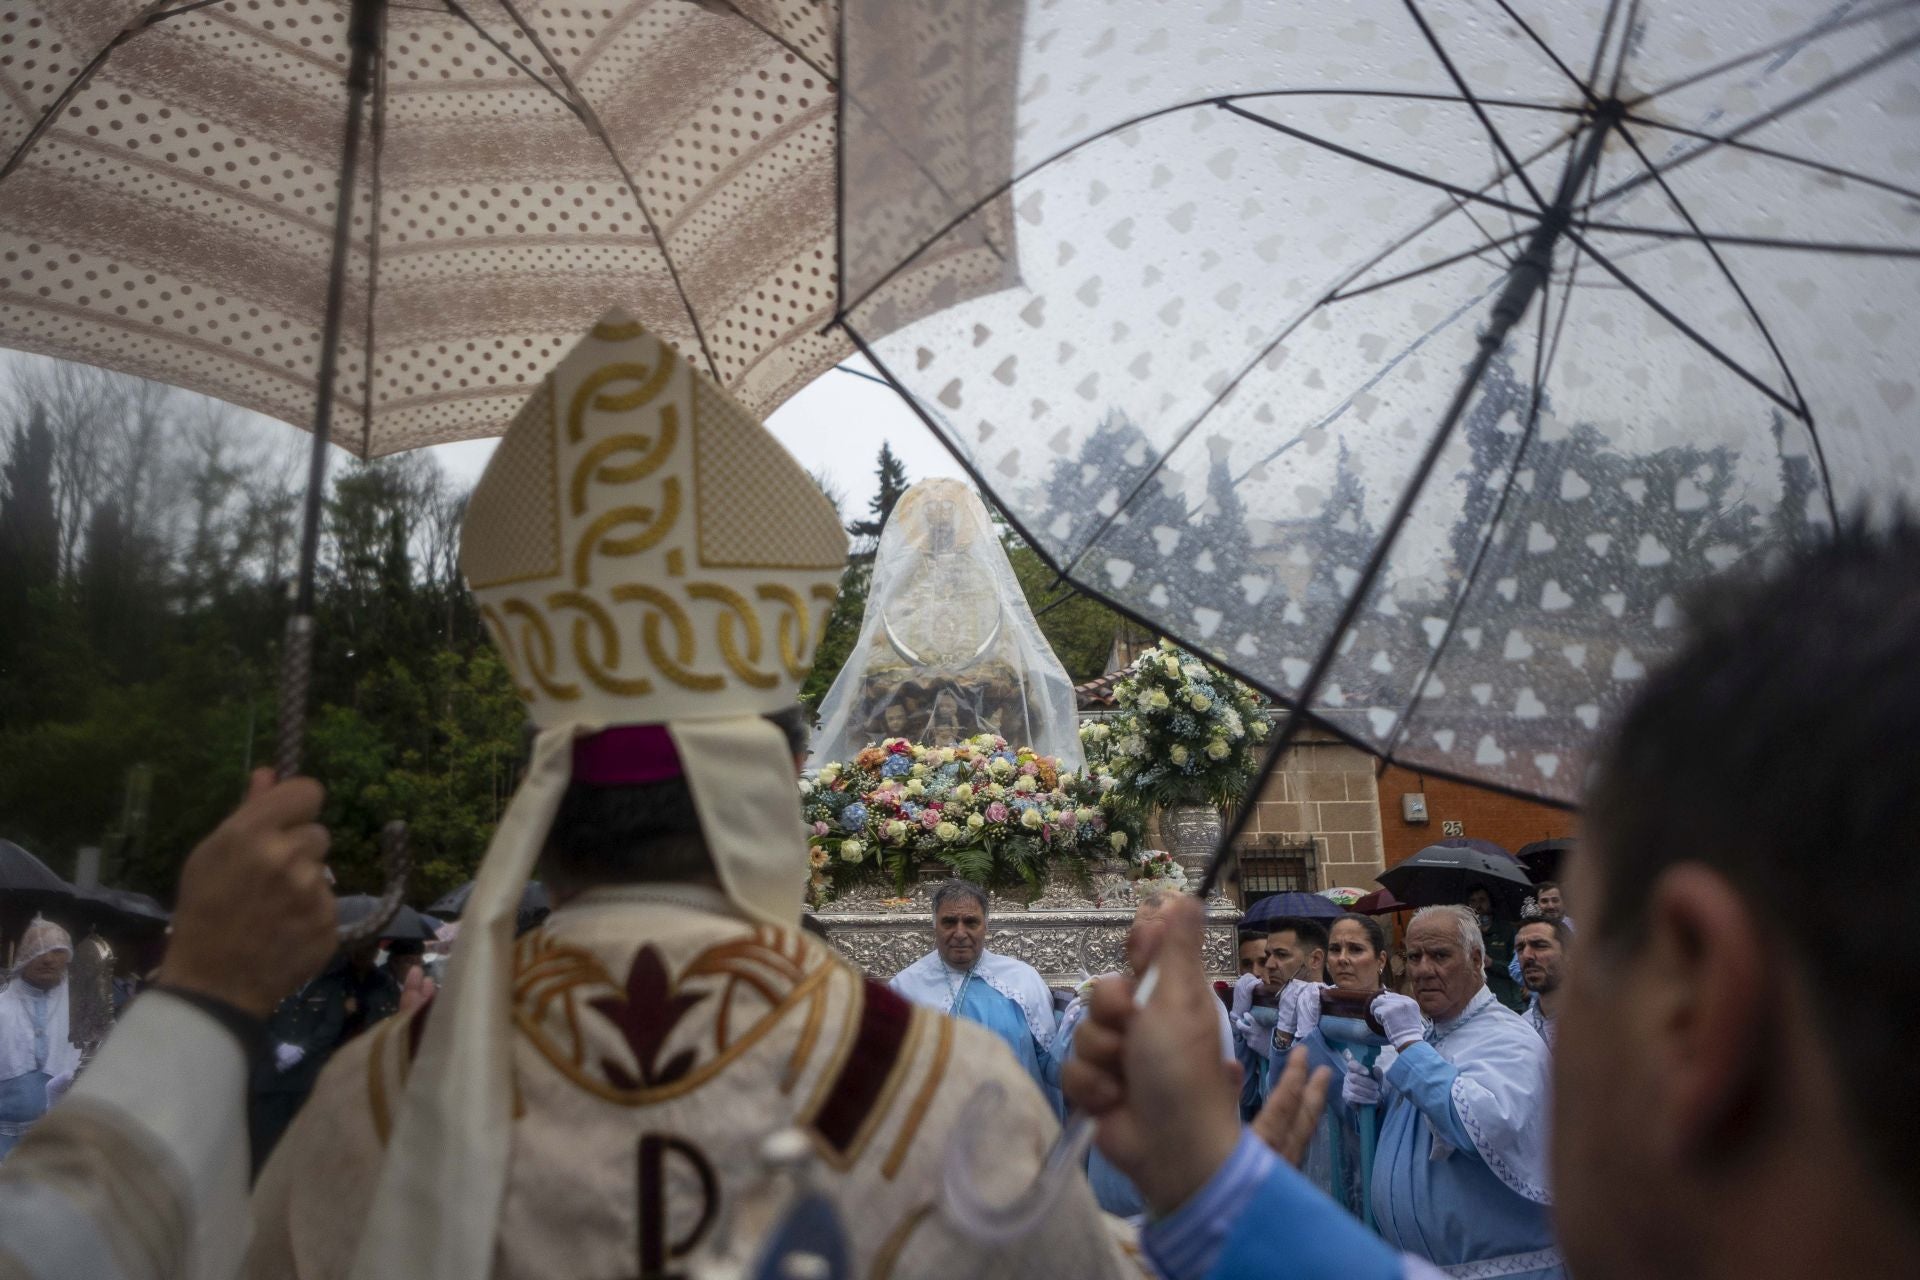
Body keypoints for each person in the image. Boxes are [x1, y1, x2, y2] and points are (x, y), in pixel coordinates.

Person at [246, 313, 1143, 1280]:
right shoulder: (948, 1097)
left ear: (541, 798)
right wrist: (1204, 1167)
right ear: (783, 781)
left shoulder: (376, 1098)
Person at [1067, 525, 1920, 1280]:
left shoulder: (1500, 1040)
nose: (1556, 1011)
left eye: (1593, 954)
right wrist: (1210, 1185)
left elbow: (1485, 1126)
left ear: (1694, 1003)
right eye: (1417, 955)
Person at [0, 767, 338, 1280]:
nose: (49, 961)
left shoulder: (83, 986)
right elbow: (51, 1244)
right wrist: (212, 991)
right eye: (36, 951)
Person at [1051, 890, 1235, 1217]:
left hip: (1176, 1200)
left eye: (1159, 933)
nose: (1146, 944)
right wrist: (1078, 1017)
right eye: (1139, 932)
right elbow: (1068, 1078)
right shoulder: (1118, 997)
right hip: (1109, 1189)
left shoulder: (1202, 1009)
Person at [890, 878, 1060, 1104]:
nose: (960, 933)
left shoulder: (1022, 979)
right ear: (934, 925)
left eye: (971, 922)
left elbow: (1051, 1063)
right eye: (949, 922)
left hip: (1014, 1113)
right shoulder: (906, 987)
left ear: (986, 926)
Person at [0, 918, 79, 1160]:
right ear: (24, 955)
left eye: (57, 951)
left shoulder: (80, 1009)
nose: (48, 959)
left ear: (68, 957)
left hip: (59, 1142)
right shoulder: (2, 1007)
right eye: (39, 950)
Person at [1466, 886, 1524, 1011]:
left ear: (1491, 902)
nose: (1477, 905)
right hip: (1475, 1003)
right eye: (1473, 901)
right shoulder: (1465, 933)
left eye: (1482, 900)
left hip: (1506, 1003)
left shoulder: (1507, 930)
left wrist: (1492, 963)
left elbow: (1519, 969)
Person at [1514, 919, 1569, 1047]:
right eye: (1520, 949)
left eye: (1540, 945)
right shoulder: (1522, 1027)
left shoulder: (1599, 1022)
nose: (1526, 955)